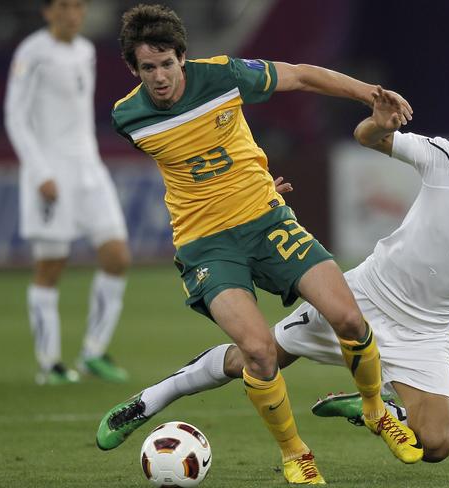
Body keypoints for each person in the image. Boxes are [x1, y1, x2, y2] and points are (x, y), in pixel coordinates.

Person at [98, 86, 449, 468]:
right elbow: (371, 139)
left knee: (438, 445)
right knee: (257, 356)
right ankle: (150, 400)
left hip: (426, 334)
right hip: (361, 300)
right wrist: (377, 124)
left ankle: (370, 408)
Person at [94, 4, 419, 484]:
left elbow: (303, 75)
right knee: (260, 351)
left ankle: (375, 411)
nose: (160, 77)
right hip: (207, 246)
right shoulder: (129, 117)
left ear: (183, 58)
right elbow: (189, 168)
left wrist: (369, 94)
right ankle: (295, 453)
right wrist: (241, 182)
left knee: (349, 318)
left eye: (167, 63)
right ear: (133, 69)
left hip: (266, 224)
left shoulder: (223, 75)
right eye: (148, 67)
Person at [4, 0, 131, 385]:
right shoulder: (32, 52)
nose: (72, 13)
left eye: (78, 6)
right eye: (63, 6)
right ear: (47, 12)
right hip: (50, 172)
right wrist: (39, 170)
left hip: (89, 169)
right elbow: (15, 115)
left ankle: (93, 352)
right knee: (51, 266)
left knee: (117, 256)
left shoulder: (86, 50)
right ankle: (50, 364)